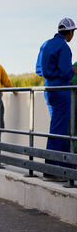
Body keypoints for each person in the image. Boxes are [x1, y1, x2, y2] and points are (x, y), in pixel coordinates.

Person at [36, 17, 77, 181]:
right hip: (61, 90)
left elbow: (38, 69)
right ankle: (51, 169)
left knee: (58, 127)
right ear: (69, 32)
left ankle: (67, 167)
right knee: (59, 130)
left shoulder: (46, 44)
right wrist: (73, 70)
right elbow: (66, 72)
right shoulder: (64, 47)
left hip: (49, 89)